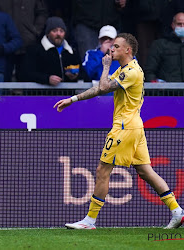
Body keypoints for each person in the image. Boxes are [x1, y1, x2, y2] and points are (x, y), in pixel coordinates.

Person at [54, 33, 184, 229]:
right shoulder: (124, 70)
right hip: (135, 126)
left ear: (127, 50)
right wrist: (73, 99)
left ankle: (89, 220)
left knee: (102, 170)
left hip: (124, 128)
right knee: (145, 171)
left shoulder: (132, 71)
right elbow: (99, 88)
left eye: (116, 46)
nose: (111, 49)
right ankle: (177, 211)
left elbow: (104, 87)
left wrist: (105, 65)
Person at [0, 0, 48, 81]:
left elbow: (42, 12)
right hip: (4, 45)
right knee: (3, 80)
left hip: (28, 43)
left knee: (27, 80)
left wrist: (35, 30)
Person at [21, 16, 81, 86]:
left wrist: (76, 76)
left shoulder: (71, 52)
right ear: (47, 33)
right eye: (54, 31)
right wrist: (47, 79)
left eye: (61, 31)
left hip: (67, 95)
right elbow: (25, 73)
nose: (58, 34)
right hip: (42, 95)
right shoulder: (35, 50)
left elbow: (83, 73)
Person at [144, 12, 184, 82]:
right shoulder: (159, 45)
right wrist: (158, 86)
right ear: (173, 25)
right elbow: (149, 71)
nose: (182, 27)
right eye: (179, 24)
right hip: (167, 91)